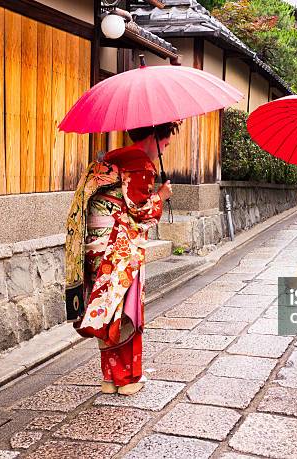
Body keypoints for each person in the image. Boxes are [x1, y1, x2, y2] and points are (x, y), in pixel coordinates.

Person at [65, 122, 178, 395]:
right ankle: (127, 379)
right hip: (118, 246)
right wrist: (161, 195)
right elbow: (141, 210)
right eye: (165, 142)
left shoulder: (113, 158)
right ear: (153, 136)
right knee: (126, 309)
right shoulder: (140, 163)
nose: (165, 147)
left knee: (107, 309)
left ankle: (108, 378)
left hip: (96, 244)